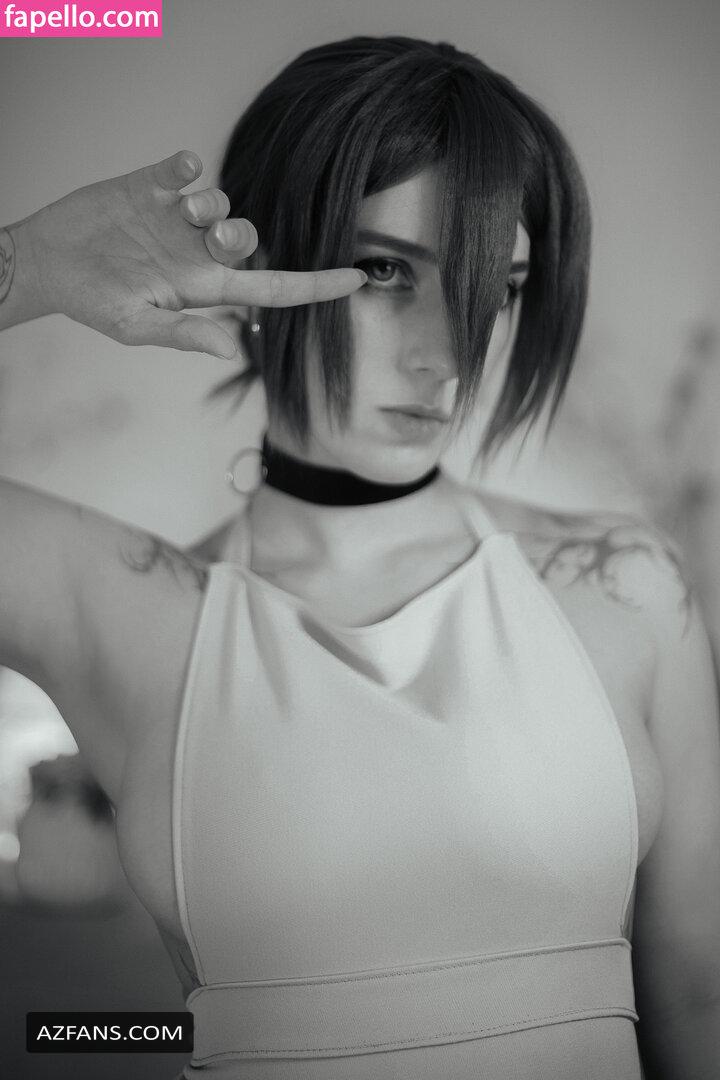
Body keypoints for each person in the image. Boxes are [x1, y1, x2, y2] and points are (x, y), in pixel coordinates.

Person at [1, 34, 719, 1080]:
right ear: (253, 261)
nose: (449, 351)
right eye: (384, 269)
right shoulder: (125, 610)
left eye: (497, 285)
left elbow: (699, 997)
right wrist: (30, 266)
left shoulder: (626, 586)